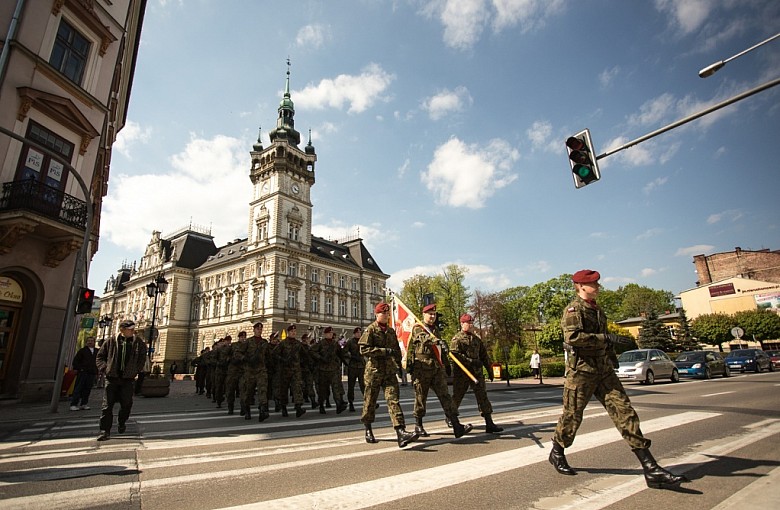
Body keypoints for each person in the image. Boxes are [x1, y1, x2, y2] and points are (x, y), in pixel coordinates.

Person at [549, 269, 688, 490]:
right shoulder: (574, 310)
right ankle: (557, 451)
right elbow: (573, 337)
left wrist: (612, 357)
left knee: (625, 413)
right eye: (594, 284)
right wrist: (605, 337)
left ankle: (650, 469)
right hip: (582, 372)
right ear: (581, 286)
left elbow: (604, 343)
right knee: (572, 417)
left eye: (597, 283)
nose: (598, 287)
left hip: (603, 371)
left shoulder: (597, 310)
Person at [359, 302, 419, 448]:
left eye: (387, 313)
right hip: (374, 372)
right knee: (370, 402)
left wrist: (399, 366)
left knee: (393, 400)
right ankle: (368, 428)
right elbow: (363, 349)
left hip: (389, 372)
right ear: (376, 314)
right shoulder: (371, 330)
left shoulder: (391, 331)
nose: (386, 316)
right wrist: (383, 351)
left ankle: (401, 432)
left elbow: (396, 350)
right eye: (383, 313)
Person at [408, 304, 472, 439]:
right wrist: (435, 340)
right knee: (421, 398)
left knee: (446, 397)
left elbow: (440, 351)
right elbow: (423, 339)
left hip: (436, 369)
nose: (432, 317)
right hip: (422, 369)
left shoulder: (435, 329)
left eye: (434, 314)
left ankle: (456, 425)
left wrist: (447, 364)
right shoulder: (418, 328)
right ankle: (418, 425)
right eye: (430, 314)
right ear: (424, 315)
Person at [449, 313, 502, 433]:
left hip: (476, 373)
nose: (471, 325)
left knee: (483, 397)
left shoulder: (476, 339)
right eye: (468, 323)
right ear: (462, 324)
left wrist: (489, 369)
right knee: (457, 397)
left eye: (472, 322)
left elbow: (484, 355)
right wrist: (471, 361)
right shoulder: (457, 339)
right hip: (462, 374)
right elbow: (454, 355)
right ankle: (451, 417)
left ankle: (489, 423)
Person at [95, 320, 147, 441]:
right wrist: (105, 368)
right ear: (122, 330)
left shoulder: (138, 343)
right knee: (107, 406)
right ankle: (104, 431)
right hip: (112, 378)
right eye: (130, 329)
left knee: (127, 404)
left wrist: (136, 370)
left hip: (128, 379)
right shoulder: (111, 341)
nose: (133, 331)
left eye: (133, 329)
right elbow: (100, 356)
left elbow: (142, 357)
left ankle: (122, 421)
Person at [310, 326, 348, 414]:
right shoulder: (320, 343)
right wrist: (320, 358)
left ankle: (339, 405)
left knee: (336, 388)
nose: (331, 334)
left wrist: (345, 362)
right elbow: (311, 351)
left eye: (331, 333)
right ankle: (321, 406)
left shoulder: (335, 344)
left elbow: (340, 353)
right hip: (323, 370)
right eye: (329, 333)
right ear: (325, 334)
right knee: (322, 390)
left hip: (333, 370)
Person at [271, 324, 307, 417]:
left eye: (295, 332)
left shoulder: (298, 344)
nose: (293, 333)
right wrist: (283, 360)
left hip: (296, 370)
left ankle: (298, 407)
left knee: (297, 388)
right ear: (288, 333)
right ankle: (283, 408)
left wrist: (301, 362)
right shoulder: (283, 343)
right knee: (284, 389)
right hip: (285, 370)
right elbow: (274, 354)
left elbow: (305, 354)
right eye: (292, 332)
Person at [237, 322, 270, 421]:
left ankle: (262, 411)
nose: (259, 331)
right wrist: (245, 358)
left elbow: (268, 355)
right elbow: (237, 353)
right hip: (249, 370)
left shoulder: (264, 342)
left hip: (261, 370)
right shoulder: (248, 342)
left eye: (261, 329)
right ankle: (247, 411)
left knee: (262, 390)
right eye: (257, 329)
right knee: (248, 392)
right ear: (254, 330)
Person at [70, 336, 98, 411]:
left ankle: (84, 403)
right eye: (88, 341)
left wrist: (97, 371)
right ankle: (74, 404)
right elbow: (76, 361)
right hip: (83, 372)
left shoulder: (97, 351)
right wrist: (79, 368)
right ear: (86, 342)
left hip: (91, 372)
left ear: (94, 342)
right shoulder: (82, 351)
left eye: (92, 341)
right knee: (78, 388)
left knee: (87, 388)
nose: (90, 342)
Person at [343, 327, 366, 412]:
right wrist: (351, 357)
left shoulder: (363, 341)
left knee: (363, 385)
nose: (359, 334)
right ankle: (351, 403)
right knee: (351, 386)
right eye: (357, 333)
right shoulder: (350, 342)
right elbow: (344, 352)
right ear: (354, 333)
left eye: (360, 332)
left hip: (361, 366)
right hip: (352, 366)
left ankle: (368, 401)